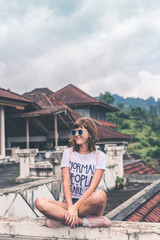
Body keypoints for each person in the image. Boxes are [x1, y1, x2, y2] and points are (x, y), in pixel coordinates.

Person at [35, 117, 111, 228]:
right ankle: (84, 222)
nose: (76, 134)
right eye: (74, 132)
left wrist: (75, 208)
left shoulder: (100, 156)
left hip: (89, 202)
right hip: (69, 203)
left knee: (101, 195)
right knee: (39, 202)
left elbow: (92, 187)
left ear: (90, 134)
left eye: (80, 131)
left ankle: (62, 219)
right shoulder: (68, 153)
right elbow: (66, 183)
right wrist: (71, 207)